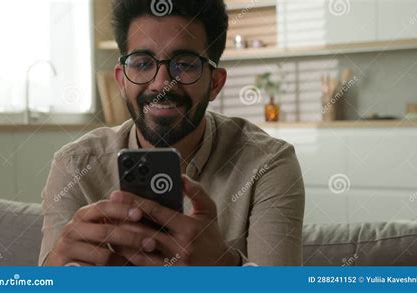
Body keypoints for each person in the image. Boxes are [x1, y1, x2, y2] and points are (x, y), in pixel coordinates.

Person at [39, 0, 305, 266]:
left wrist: (223, 264)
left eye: (185, 64)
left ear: (215, 83)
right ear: (121, 81)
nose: (161, 83)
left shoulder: (268, 164)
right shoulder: (75, 166)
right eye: (142, 64)